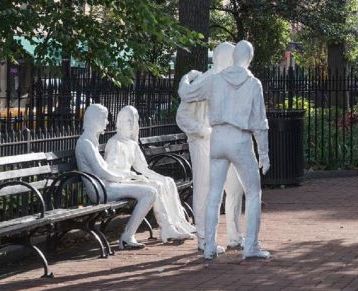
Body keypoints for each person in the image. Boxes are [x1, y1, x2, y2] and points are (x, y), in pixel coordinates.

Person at [201, 40, 271, 260]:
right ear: (249, 58)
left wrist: (188, 79)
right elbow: (260, 122)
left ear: (233, 57)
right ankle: (251, 246)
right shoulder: (253, 83)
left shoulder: (215, 80)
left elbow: (189, 94)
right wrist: (264, 153)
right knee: (253, 192)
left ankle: (209, 246)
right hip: (239, 139)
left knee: (214, 194)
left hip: (218, 138)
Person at [178, 42, 248, 253]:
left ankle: (234, 236)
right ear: (221, 59)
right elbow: (182, 116)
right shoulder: (204, 81)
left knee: (235, 187)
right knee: (205, 191)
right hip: (203, 143)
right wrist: (203, 131)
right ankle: (205, 239)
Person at [105, 105, 195, 243]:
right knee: (156, 186)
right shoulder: (114, 142)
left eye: (133, 121)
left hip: (128, 179)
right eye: (127, 120)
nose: (130, 124)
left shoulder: (131, 144)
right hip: (119, 182)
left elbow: (143, 168)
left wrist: (161, 177)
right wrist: (133, 175)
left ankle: (179, 223)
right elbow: (110, 170)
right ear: (119, 121)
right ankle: (167, 228)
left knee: (167, 181)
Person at [75, 104, 156, 249]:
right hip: (100, 190)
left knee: (150, 188)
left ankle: (128, 236)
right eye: (104, 118)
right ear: (94, 119)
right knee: (150, 192)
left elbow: (105, 169)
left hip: (106, 185)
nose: (107, 122)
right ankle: (127, 236)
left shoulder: (91, 141)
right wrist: (125, 178)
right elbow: (102, 172)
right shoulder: (85, 143)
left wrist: (131, 176)